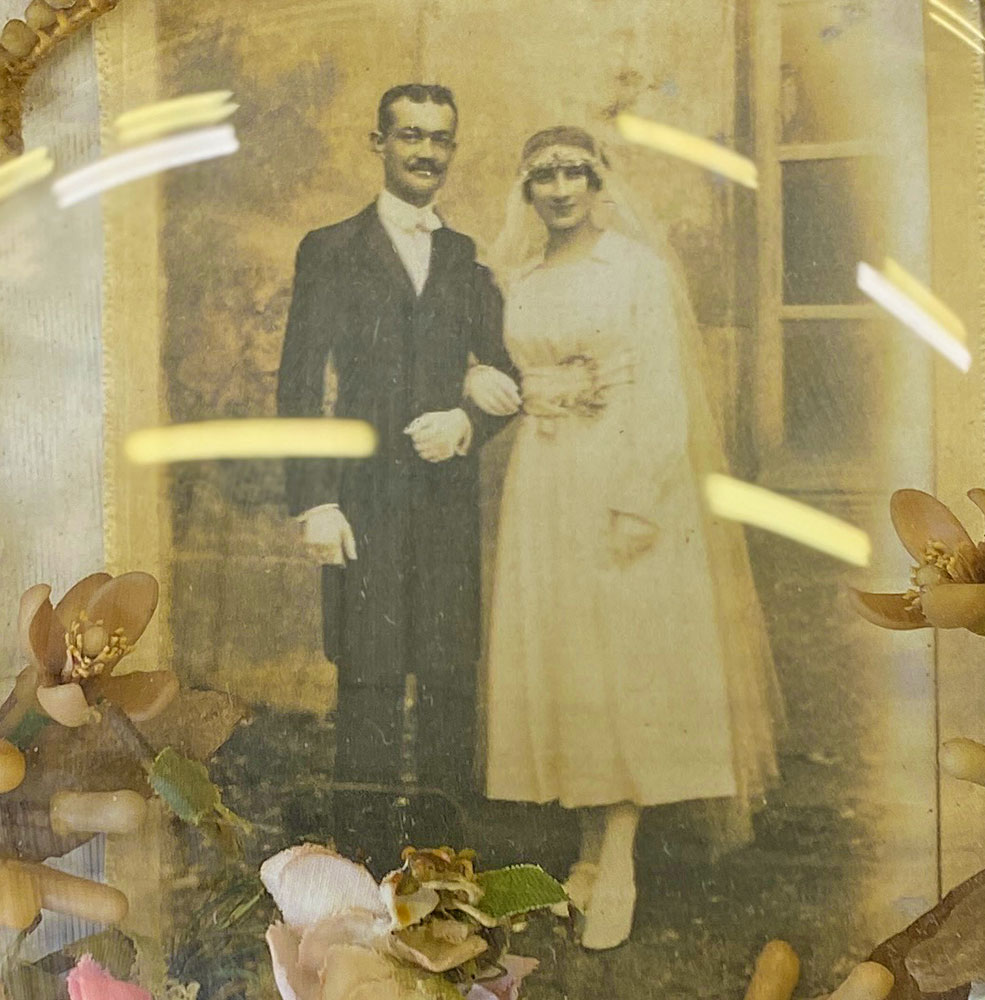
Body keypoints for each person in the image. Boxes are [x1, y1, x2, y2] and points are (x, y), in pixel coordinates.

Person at [474, 126, 782, 950]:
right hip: (541, 480)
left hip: (618, 478)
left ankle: (618, 855)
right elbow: (499, 369)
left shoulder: (635, 271)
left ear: (599, 181)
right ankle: (581, 843)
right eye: (545, 176)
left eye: (577, 173)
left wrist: (639, 499)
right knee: (565, 656)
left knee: (620, 660)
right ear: (527, 190)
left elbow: (663, 392)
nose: (562, 189)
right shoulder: (521, 278)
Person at [275, 84, 519, 864]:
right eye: (409, 134)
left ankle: (447, 877)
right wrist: (315, 499)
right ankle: (362, 869)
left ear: (453, 149)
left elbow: (511, 374)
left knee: (450, 682)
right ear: (376, 142)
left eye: (440, 138)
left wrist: (470, 422)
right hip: (364, 499)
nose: (425, 151)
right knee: (370, 683)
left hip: (446, 503)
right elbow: (299, 381)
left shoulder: (464, 256)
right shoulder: (331, 247)